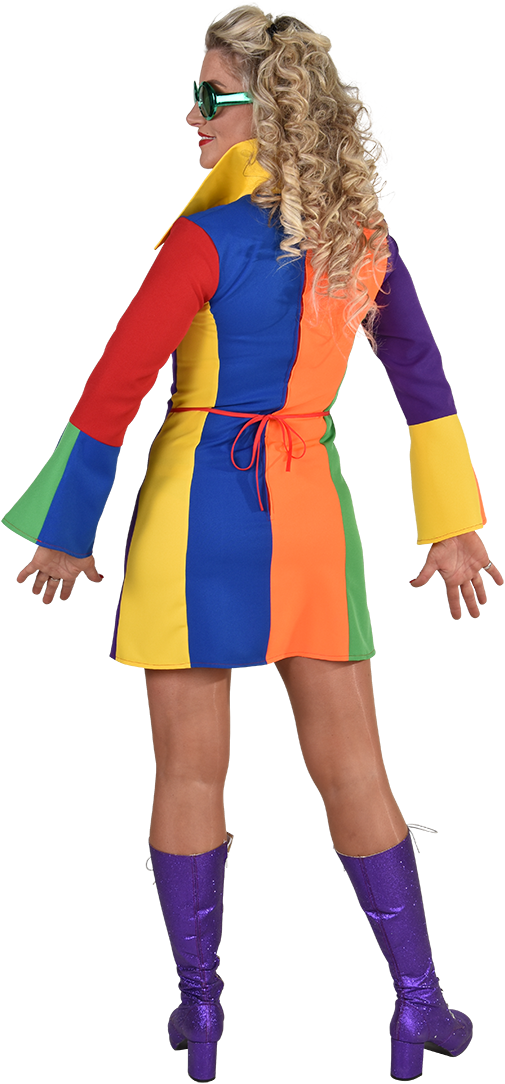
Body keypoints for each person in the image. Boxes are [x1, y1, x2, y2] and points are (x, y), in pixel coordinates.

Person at [3, 5, 502, 1082]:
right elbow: (421, 378)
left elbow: (116, 383)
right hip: (309, 511)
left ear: (263, 110)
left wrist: (68, 527)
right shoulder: (358, 241)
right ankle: (419, 1003)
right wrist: (452, 521)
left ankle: (202, 1012)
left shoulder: (203, 240)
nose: (190, 116)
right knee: (356, 768)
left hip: (194, 516)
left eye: (207, 96)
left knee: (188, 772)